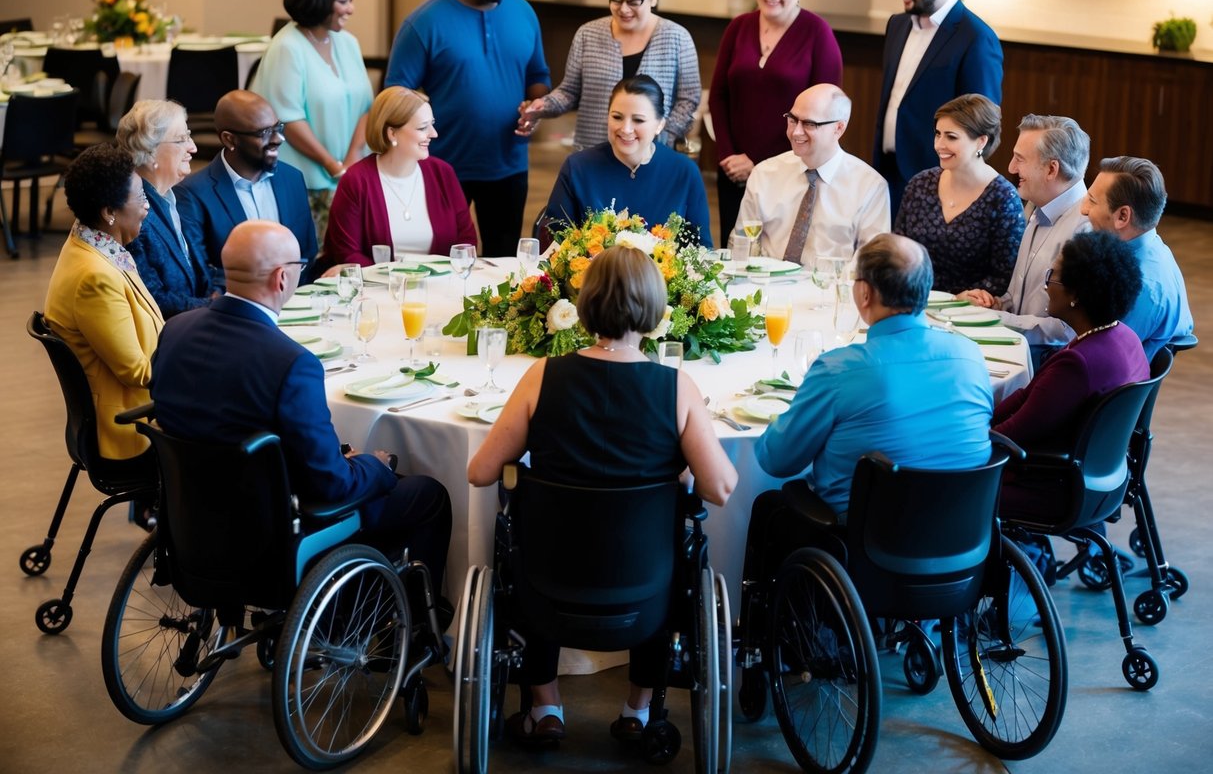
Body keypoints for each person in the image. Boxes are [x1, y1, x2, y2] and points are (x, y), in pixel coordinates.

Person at [467, 244, 737, 746]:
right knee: (678, 548)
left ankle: (545, 707)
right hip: (647, 590)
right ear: (655, 309)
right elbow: (720, 487)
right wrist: (674, 478)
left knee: (522, 532)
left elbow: (480, 471)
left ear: (586, 302)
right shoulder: (674, 386)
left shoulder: (541, 376)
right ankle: (637, 711)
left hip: (546, 581)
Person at [149, 221, 452, 587]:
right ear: (281, 279)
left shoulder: (175, 331)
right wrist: (376, 465)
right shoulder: (291, 363)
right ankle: (397, 626)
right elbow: (332, 487)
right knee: (427, 495)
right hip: (270, 531)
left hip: (191, 518)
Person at [742, 233, 991, 590]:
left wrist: (779, 415)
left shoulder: (840, 370)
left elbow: (776, 460)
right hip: (962, 537)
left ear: (864, 293)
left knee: (771, 507)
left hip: (868, 544)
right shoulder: (970, 355)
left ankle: (761, 639)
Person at [385, 0, 551, 257]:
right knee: (443, 257)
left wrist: (535, 108)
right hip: (443, 166)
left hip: (509, 164)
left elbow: (538, 77)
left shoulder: (523, 13)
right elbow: (395, 95)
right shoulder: (425, 22)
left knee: (502, 260)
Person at [993, 231, 1149, 522]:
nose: (1046, 285)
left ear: (1076, 295)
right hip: (1100, 480)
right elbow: (1029, 397)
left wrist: (967, 436)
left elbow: (1017, 432)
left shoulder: (1078, 364)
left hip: (1048, 486)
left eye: (1052, 276)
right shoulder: (1125, 338)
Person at [709, 0, 843, 243]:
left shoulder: (817, 33)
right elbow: (718, 96)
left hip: (790, 168)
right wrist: (728, 155)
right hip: (734, 170)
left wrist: (758, 161)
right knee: (734, 251)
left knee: (778, 252)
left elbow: (826, 111)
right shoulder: (738, 27)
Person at [43, 144, 163, 477]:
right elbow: (136, 371)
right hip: (129, 430)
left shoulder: (90, 243)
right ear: (109, 212)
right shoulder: (94, 277)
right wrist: (200, 366)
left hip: (132, 413)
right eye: (140, 199)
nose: (147, 206)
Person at [516, 0, 700, 153]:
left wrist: (666, 134)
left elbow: (688, 99)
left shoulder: (677, 37)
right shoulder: (588, 33)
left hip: (652, 154)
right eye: (616, 0)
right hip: (593, 150)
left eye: (633, 1)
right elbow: (569, 92)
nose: (624, 9)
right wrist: (541, 106)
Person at [250, 0, 374, 244]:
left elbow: (367, 106)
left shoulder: (347, 42)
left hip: (349, 175)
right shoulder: (287, 47)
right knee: (312, 261)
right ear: (320, 1)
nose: (351, 9)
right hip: (306, 181)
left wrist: (353, 160)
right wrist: (332, 164)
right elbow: (288, 120)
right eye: (344, 1)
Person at [875, 0, 1003, 214]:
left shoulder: (976, 38)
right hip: (885, 171)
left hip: (938, 180)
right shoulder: (897, 24)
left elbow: (984, 124)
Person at [957, 114, 1092, 368]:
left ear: (1052, 169)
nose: (1010, 168)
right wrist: (996, 303)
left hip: (1049, 368)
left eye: (1020, 159)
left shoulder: (1086, 230)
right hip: (1018, 352)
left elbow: (1069, 329)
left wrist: (994, 318)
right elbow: (1018, 298)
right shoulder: (1035, 207)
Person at [543, 75, 711, 245]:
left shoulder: (685, 172)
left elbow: (702, 248)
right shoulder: (577, 167)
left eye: (638, 120)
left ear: (660, 124)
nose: (626, 129)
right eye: (617, 117)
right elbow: (552, 241)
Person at [174, 90, 317, 287]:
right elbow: (202, 273)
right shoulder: (193, 194)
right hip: (236, 310)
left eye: (278, 128)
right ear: (230, 140)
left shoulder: (292, 179)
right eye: (265, 133)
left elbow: (307, 253)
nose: (278, 139)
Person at [735, 84, 889, 264]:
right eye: (792, 119)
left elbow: (872, 264)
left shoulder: (870, 187)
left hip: (829, 288)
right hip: (766, 284)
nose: (796, 132)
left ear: (838, 128)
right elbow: (740, 244)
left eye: (809, 124)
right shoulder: (765, 173)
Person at [324, 86, 477, 266]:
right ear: (392, 133)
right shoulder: (356, 180)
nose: (433, 134)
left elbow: (466, 241)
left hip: (441, 287)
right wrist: (400, 279)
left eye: (432, 124)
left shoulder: (443, 173)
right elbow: (347, 254)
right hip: (378, 290)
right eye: (422, 128)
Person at [894, 93, 1024, 295]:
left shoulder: (1003, 199)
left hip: (970, 313)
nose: (939, 145)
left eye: (951, 137)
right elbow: (897, 250)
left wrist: (965, 299)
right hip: (912, 301)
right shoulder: (920, 184)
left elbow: (1004, 276)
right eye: (938, 134)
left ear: (981, 141)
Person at [1080, 156, 1194, 360]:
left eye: (1092, 201)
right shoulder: (1156, 249)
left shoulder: (1140, 289)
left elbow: (1097, 360)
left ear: (1123, 216)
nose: (1083, 209)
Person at [118, 99, 215, 318]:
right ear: (150, 152)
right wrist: (215, 308)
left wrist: (217, 294)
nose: (193, 147)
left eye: (189, 135)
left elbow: (196, 272)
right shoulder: (136, 216)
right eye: (182, 139)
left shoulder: (172, 197)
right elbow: (154, 300)